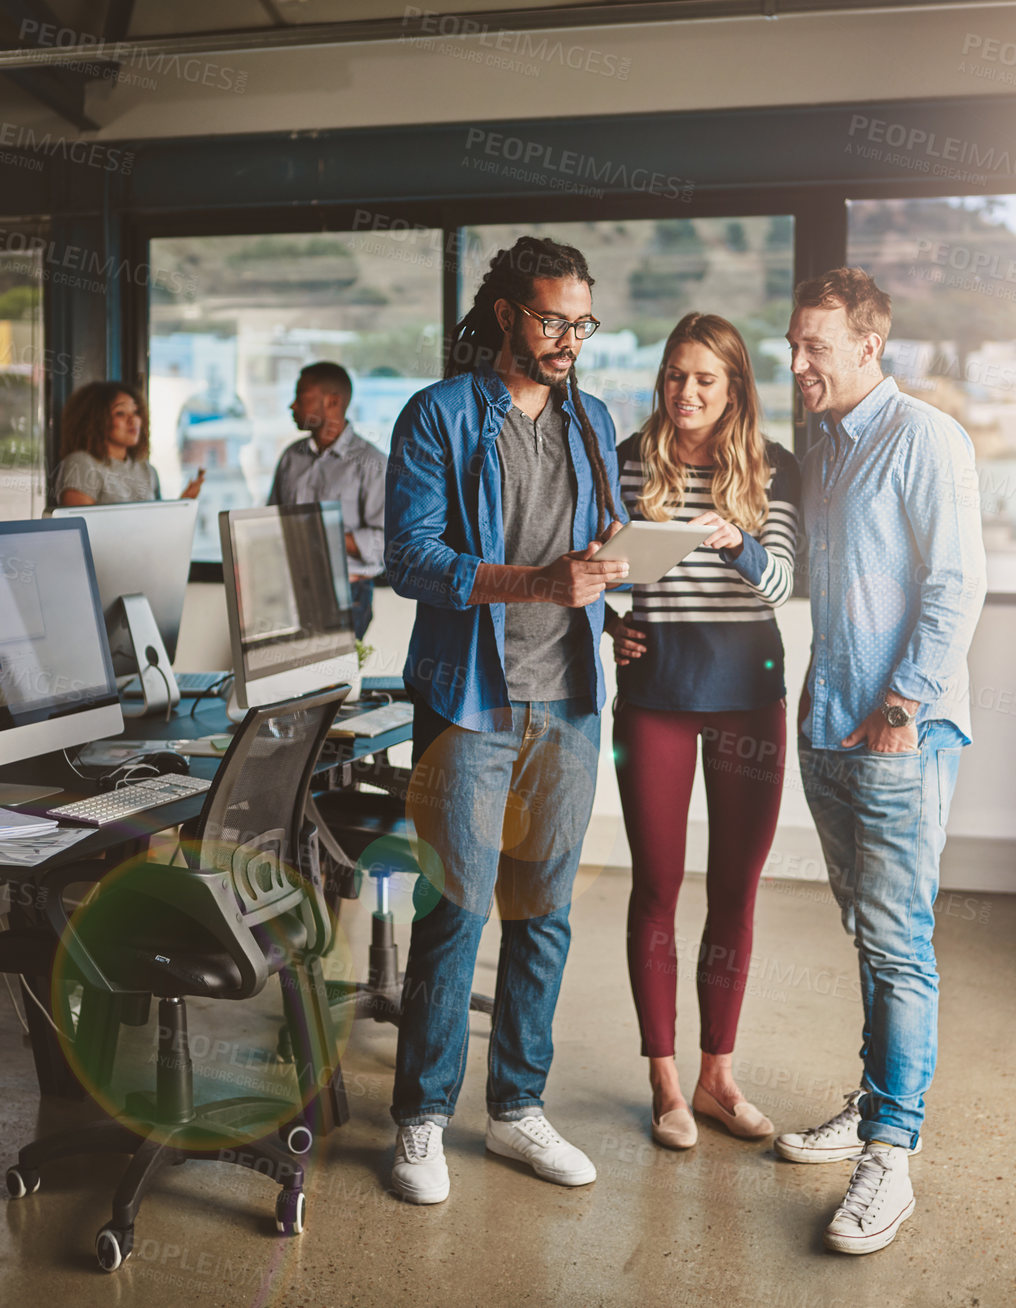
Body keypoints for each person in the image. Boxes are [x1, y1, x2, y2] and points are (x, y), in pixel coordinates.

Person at [384, 236, 628, 1205]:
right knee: (455, 913)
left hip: (568, 701)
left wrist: (620, 589)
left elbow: (595, 551)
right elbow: (410, 557)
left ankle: (518, 1108)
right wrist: (536, 581)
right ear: (504, 317)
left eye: (582, 321)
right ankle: (420, 1120)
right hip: (468, 701)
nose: (568, 339)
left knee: (544, 916)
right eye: (551, 319)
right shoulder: (439, 415)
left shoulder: (593, 420)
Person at [774, 268, 986, 1255]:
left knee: (900, 944)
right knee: (870, 934)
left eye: (815, 345)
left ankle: (890, 1159)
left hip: (896, 736)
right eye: (793, 343)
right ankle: (872, 1106)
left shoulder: (926, 440)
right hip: (828, 731)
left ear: (869, 346)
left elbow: (955, 586)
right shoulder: (824, 448)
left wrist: (900, 709)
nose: (797, 361)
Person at [604, 313, 799, 1150]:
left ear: (734, 389)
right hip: (654, 695)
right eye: (675, 376)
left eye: (705, 380)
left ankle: (718, 1074)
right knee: (656, 885)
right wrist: (609, 626)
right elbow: (594, 570)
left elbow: (785, 582)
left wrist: (738, 543)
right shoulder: (625, 462)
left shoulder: (772, 466)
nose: (686, 393)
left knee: (735, 889)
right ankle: (666, 1082)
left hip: (748, 697)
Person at [269, 362, 386, 638]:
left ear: (332, 401)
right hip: (290, 592)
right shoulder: (290, 458)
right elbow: (271, 521)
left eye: (301, 396)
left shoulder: (372, 464)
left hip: (346, 594)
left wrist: (316, 531)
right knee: (286, 679)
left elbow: (387, 544)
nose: (292, 406)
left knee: (333, 681)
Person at [55, 381, 204, 506]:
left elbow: (158, 525)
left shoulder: (146, 469)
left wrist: (184, 503)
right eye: (120, 413)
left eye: (136, 412)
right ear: (96, 420)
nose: (133, 420)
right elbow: (80, 530)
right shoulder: (82, 463)